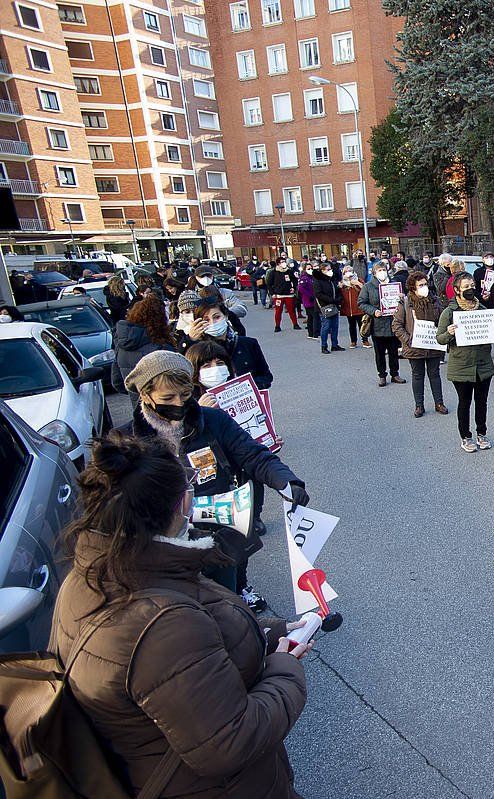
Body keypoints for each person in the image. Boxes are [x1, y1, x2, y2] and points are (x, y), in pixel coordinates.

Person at [49, 432, 309, 799]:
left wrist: (269, 632)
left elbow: (186, 656)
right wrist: (284, 666)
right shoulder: (164, 625)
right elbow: (231, 741)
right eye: (188, 482)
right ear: (179, 503)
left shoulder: (91, 575)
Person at [119, 350, 307, 605]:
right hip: (161, 537)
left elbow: (252, 454)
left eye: (185, 395)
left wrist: (286, 482)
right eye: (167, 397)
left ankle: (239, 596)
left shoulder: (213, 420)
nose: (178, 404)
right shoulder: (125, 441)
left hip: (217, 530)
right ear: (145, 394)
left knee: (226, 597)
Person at [437, 272, 494, 452]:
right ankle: (465, 436)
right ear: (456, 290)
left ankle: (482, 433)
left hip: (483, 365)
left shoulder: (482, 310)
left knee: (482, 402)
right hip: (461, 365)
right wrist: (449, 332)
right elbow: (440, 339)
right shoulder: (449, 312)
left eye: (472, 285)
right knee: (464, 402)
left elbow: (491, 333)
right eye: (466, 286)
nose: (470, 289)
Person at [188, 293, 274, 390]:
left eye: (217, 317)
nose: (212, 323)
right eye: (206, 320)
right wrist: (190, 340)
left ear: (226, 316)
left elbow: (266, 376)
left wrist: (247, 387)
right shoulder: (196, 349)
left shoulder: (249, 344)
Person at [393, 272, 448, 417]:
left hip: (433, 345)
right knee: (417, 376)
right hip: (414, 347)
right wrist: (408, 340)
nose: (425, 287)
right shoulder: (405, 303)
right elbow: (397, 325)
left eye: (425, 284)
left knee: (435, 374)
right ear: (413, 288)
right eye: (421, 285)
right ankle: (419, 405)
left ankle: (439, 403)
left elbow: (443, 319)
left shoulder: (435, 301)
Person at [115, 295, 176, 399]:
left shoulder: (121, 346)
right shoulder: (161, 347)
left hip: (138, 403)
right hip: (164, 404)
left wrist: (135, 394)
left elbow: (117, 381)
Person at [359, 261, 404, 387]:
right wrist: (374, 311)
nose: (382, 273)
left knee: (394, 351)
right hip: (377, 324)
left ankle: (395, 374)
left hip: (393, 323)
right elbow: (361, 303)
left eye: (383, 270)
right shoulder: (368, 286)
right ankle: (382, 375)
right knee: (379, 353)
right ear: (374, 273)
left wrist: (402, 297)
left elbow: (402, 302)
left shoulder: (394, 285)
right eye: (379, 270)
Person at [313, 262, 344, 354]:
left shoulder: (331, 279)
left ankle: (335, 345)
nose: (330, 271)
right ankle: (324, 346)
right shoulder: (317, 281)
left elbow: (337, 289)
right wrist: (332, 300)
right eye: (328, 269)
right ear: (322, 271)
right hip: (324, 307)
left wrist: (339, 298)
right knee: (326, 327)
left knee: (335, 326)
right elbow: (318, 294)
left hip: (334, 306)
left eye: (331, 269)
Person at [266, 258, 300, 332]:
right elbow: (269, 284)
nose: (284, 263)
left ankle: (295, 324)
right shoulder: (273, 272)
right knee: (278, 311)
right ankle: (277, 326)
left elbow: (294, 280)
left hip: (289, 295)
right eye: (282, 262)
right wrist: (272, 293)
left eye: (284, 262)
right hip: (278, 295)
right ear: (278, 264)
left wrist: (293, 288)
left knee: (292, 310)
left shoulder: (289, 271)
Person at [340, 267, 365, 348]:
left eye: (350, 271)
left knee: (362, 325)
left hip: (359, 308)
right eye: (346, 271)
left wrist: (358, 284)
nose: (348, 273)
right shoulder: (342, 283)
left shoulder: (359, 280)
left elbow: (365, 291)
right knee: (352, 326)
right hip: (348, 308)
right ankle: (353, 341)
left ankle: (365, 340)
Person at [297, 264, 318, 339]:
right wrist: (310, 296)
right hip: (308, 300)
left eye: (311, 268)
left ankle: (311, 333)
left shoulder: (312, 277)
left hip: (313, 299)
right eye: (308, 268)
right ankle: (314, 333)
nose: (310, 269)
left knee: (311, 317)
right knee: (313, 316)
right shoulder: (304, 278)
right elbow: (301, 289)